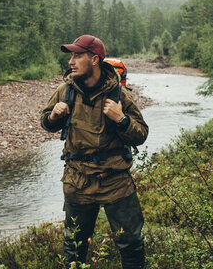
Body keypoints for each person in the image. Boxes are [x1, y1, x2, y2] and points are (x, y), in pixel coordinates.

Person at [40, 35, 149, 268]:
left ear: (94, 59)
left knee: (131, 244)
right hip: (77, 180)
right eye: (71, 55)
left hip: (116, 182)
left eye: (77, 55)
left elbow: (141, 134)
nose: (71, 61)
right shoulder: (64, 91)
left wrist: (121, 120)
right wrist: (53, 117)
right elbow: (46, 123)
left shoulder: (120, 96)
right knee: (75, 248)